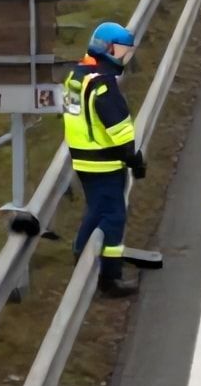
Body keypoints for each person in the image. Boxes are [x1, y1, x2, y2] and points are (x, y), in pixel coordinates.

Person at [62, 22, 146, 298]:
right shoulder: (102, 85)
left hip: (83, 160)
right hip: (105, 162)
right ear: (106, 49)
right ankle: (109, 278)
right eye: (120, 51)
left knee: (96, 211)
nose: (123, 57)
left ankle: (81, 262)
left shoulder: (76, 75)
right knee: (113, 216)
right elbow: (118, 127)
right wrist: (133, 159)